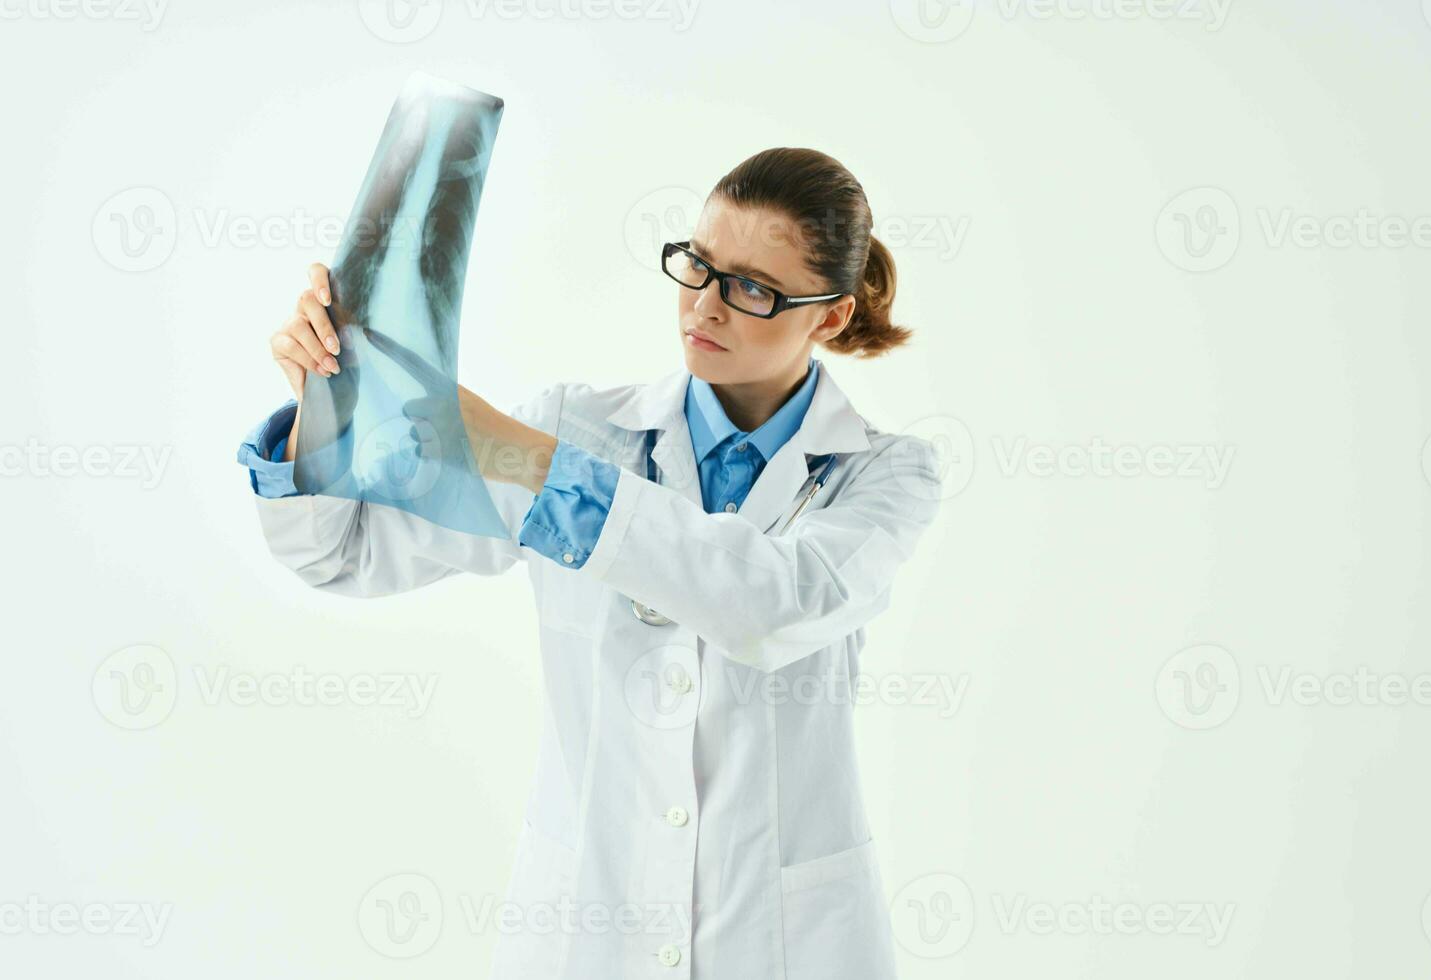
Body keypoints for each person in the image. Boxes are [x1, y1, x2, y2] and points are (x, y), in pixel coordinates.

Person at [237, 146, 943, 980]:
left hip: (785, 942)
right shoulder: (576, 427)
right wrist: (324, 402)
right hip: (584, 930)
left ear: (828, 317)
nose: (703, 307)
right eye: (698, 266)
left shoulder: (882, 472)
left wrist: (530, 461)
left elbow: (779, 604)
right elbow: (342, 556)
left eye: (751, 288)